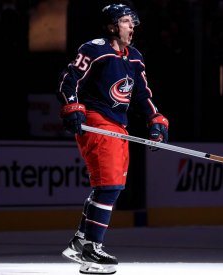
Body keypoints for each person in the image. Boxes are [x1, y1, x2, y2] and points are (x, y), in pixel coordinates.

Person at [55, 2, 169, 274]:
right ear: (111, 26)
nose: (133, 26)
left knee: (111, 186)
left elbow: (142, 95)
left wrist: (156, 120)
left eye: (133, 22)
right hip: (97, 123)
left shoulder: (135, 57)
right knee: (109, 185)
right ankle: (92, 246)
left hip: (119, 127)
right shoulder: (94, 49)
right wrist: (72, 107)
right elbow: (68, 80)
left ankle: (81, 243)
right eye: (127, 21)